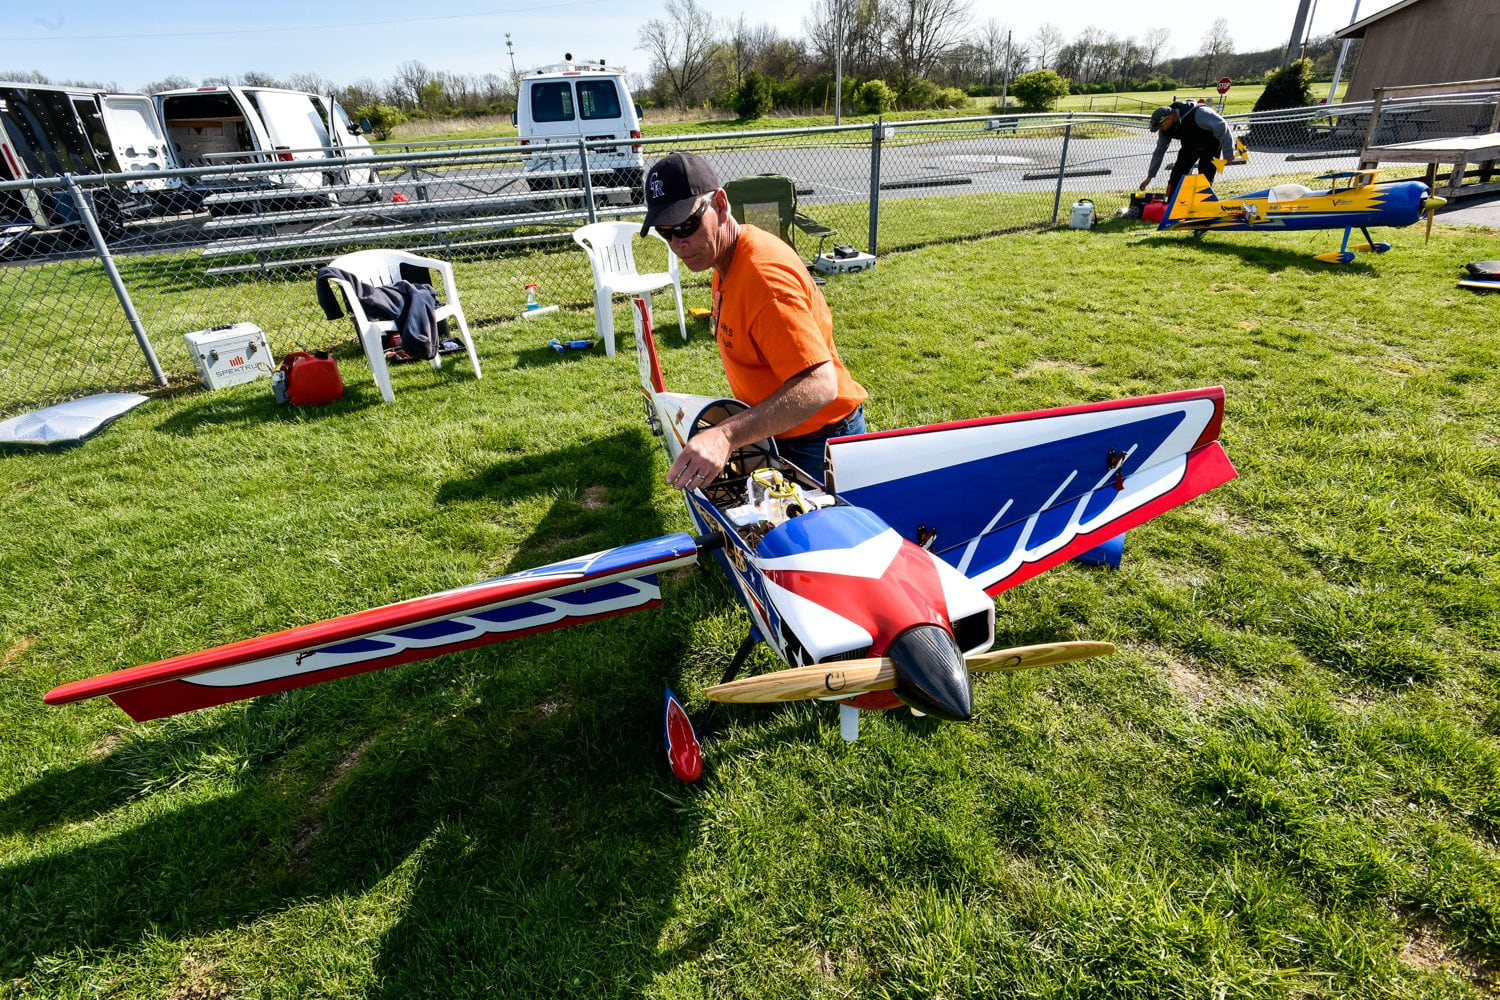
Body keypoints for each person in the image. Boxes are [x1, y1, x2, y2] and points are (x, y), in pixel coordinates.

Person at [640, 151, 868, 490]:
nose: (678, 243)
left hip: (817, 445)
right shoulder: (724, 255)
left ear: (720, 204)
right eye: (665, 231)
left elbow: (820, 385)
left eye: (687, 225)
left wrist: (726, 435)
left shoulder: (763, 278)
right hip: (783, 434)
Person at [1139, 100, 1236, 200]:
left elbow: (1222, 126)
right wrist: (1150, 176)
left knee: (1205, 175)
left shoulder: (1199, 113)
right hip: (1190, 145)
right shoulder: (1165, 130)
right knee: (1176, 175)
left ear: (1168, 118)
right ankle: (1169, 202)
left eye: (1160, 126)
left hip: (1211, 143)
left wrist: (1228, 152)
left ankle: (1203, 204)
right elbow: (1159, 151)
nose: (1160, 129)